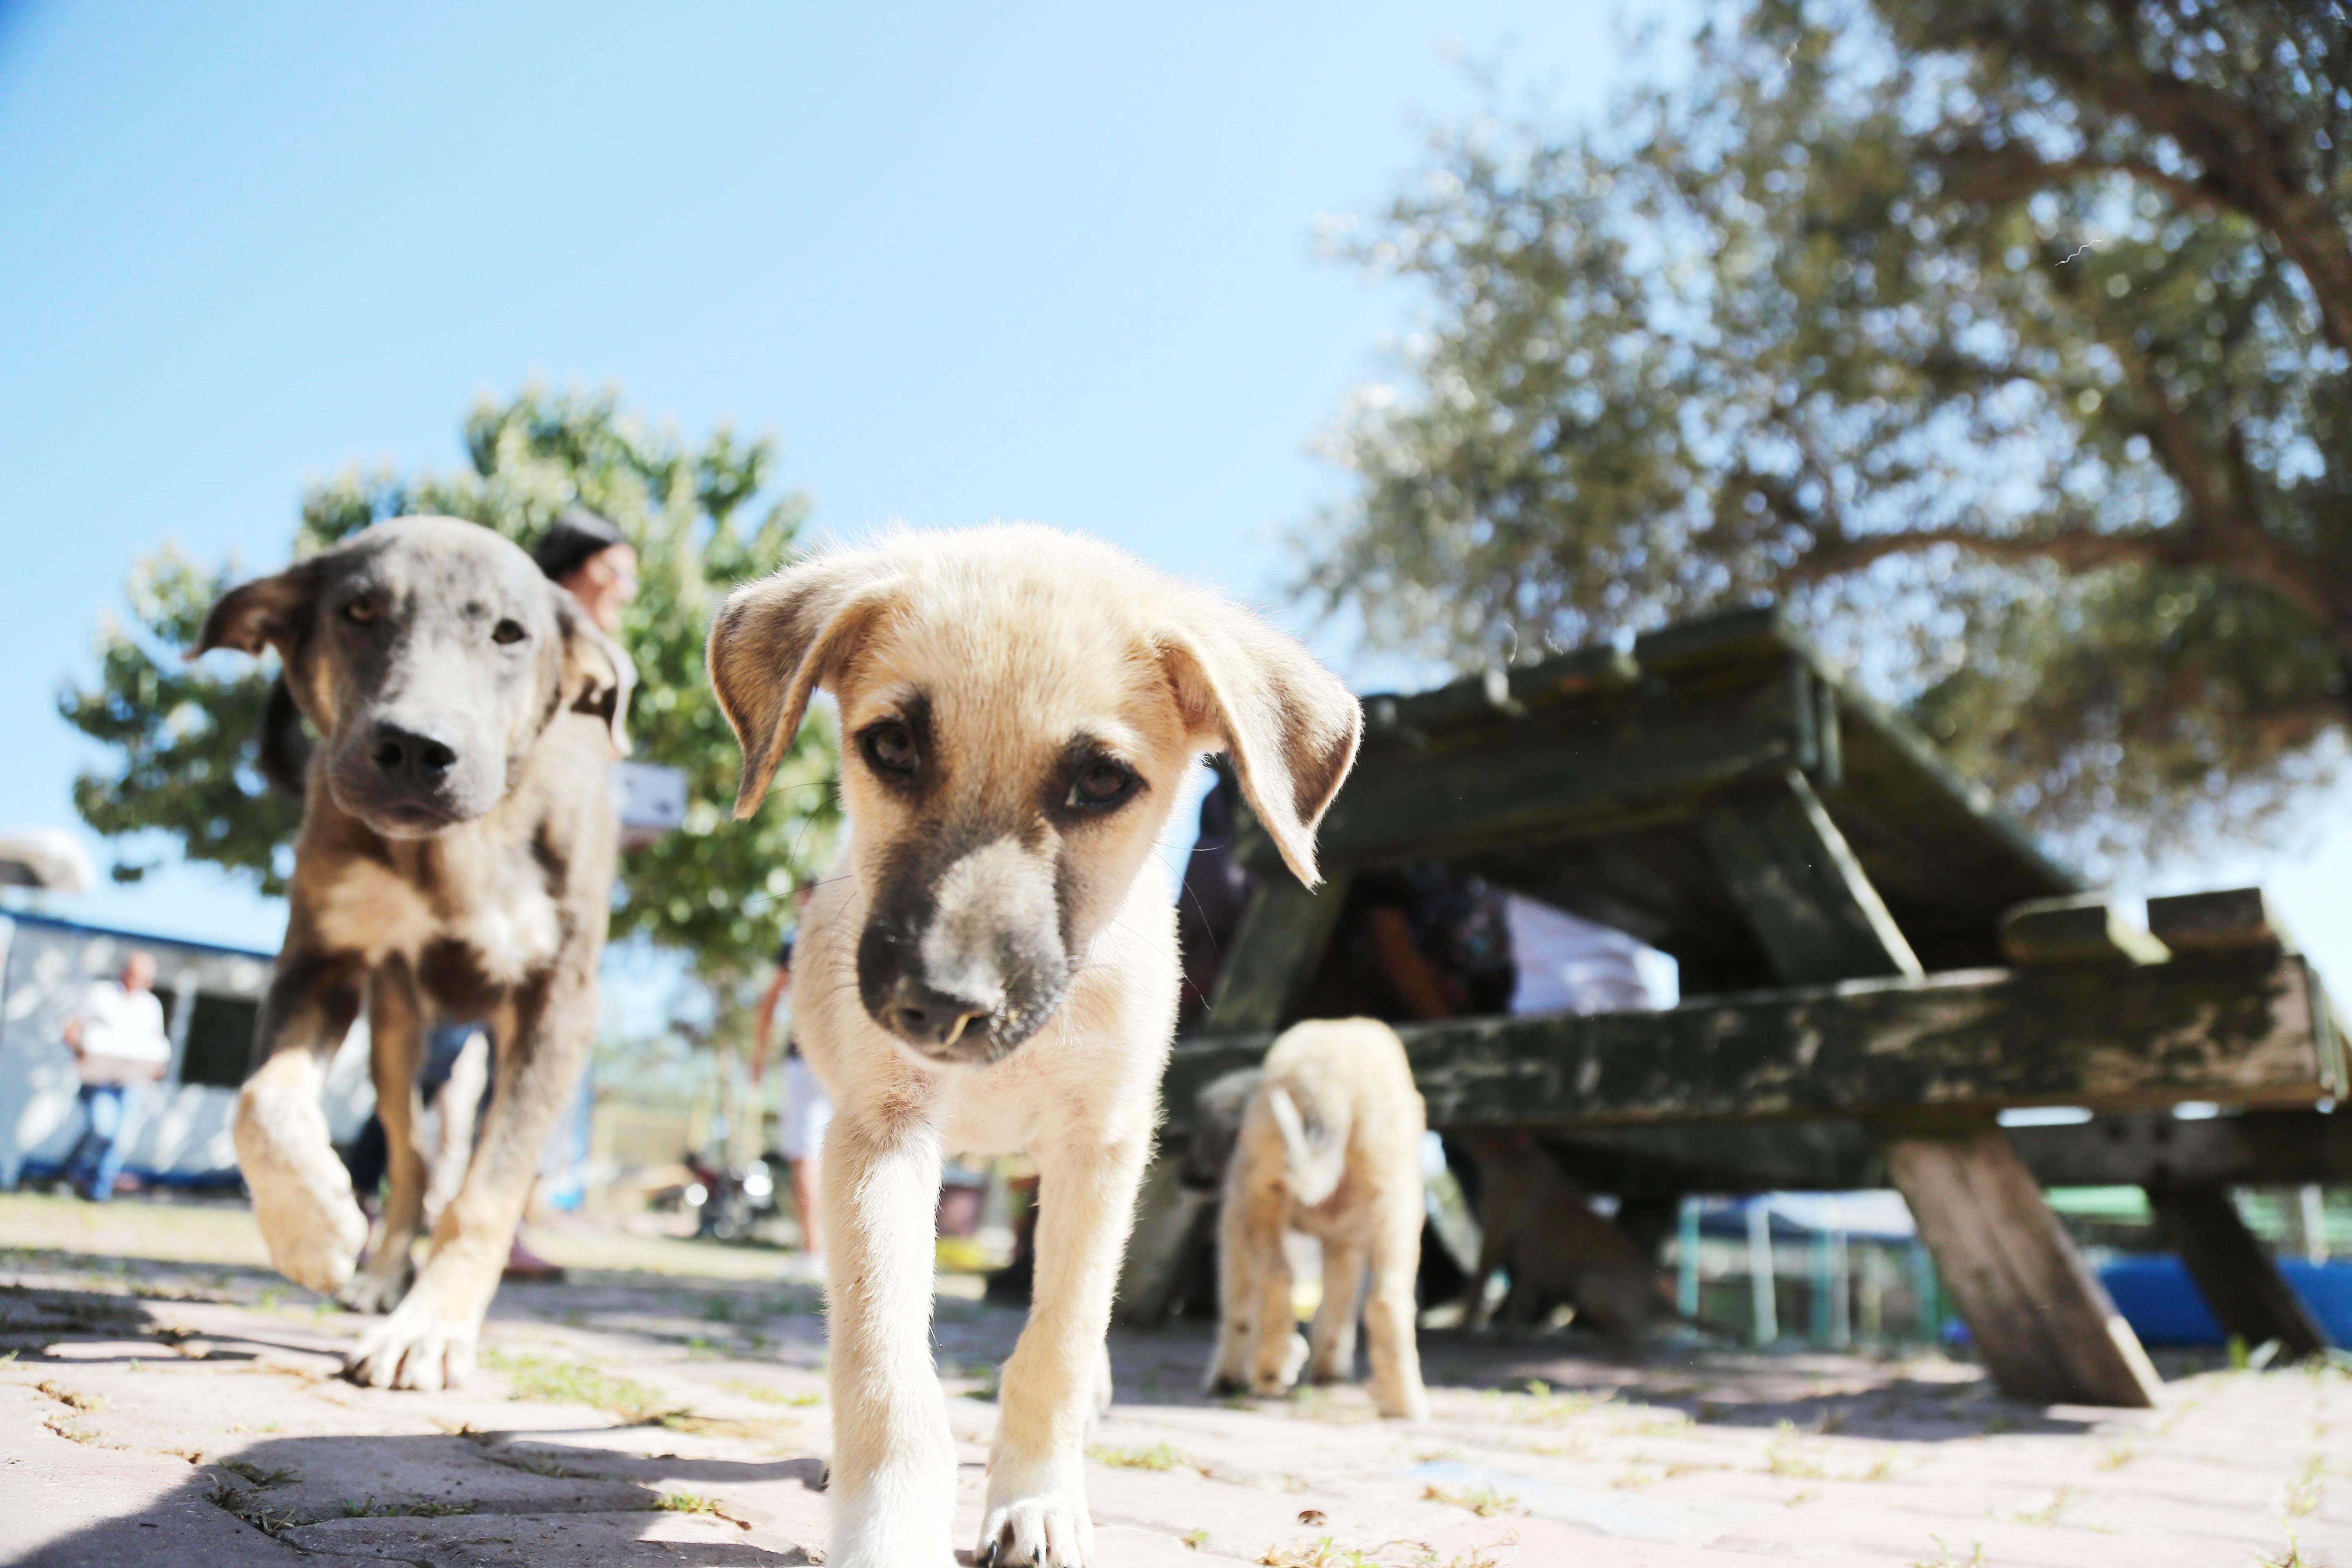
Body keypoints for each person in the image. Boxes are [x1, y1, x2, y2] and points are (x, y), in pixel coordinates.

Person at [752, 891, 830, 1263]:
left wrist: (758, 1055)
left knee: (805, 1156)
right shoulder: (856, 937)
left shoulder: (797, 945)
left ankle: (813, 1252)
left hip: (808, 1060)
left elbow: (768, 1003)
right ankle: (832, 1253)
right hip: (848, 1061)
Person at [60, 952, 170, 1202]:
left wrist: (157, 1065)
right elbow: (72, 1028)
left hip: (130, 1081)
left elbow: (156, 1043)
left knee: (118, 1138)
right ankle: (72, 1174)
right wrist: (79, 1050)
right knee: (102, 1128)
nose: (143, 983)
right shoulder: (100, 993)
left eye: (148, 980)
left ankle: (98, 1192)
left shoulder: (150, 1005)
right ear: (125, 972)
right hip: (97, 1078)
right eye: (139, 976)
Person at [531, 506, 639, 635]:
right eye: (614, 571)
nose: (628, 592)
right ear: (568, 569)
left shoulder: (606, 654)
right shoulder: (521, 643)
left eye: (630, 578)